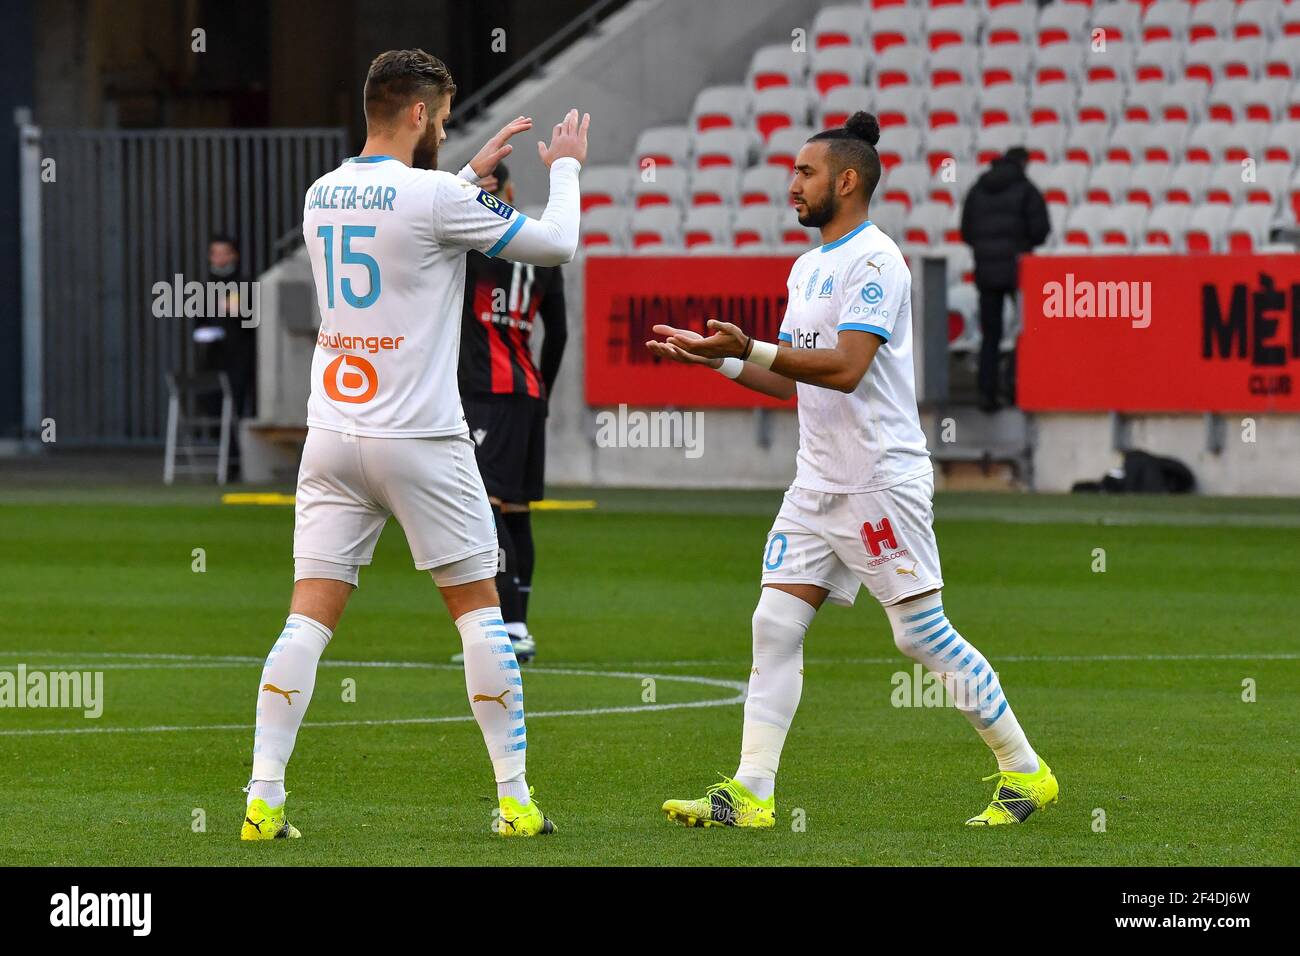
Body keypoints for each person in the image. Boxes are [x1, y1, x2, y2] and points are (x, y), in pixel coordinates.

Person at [647, 112, 1057, 829]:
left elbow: (845, 368)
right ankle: (753, 793)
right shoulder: (806, 266)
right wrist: (724, 358)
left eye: (803, 173)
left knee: (919, 635)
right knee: (773, 623)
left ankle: (1027, 771)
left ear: (846, 180)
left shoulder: (877, 262)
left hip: (879, 479)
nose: (791, 185)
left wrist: (756, 348)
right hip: (817, 483)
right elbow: (795, 381)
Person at [240, 47, 589, 841]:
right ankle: (514, 800)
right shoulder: (434, 196)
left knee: (306, 621)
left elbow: (397, 230)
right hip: (423, 439)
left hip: (332, 435)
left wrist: (465, 178)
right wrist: (564, 168)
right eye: (443, 114)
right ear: (421, 115)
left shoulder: (322, 192)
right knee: (480, 615)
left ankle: (263, 798)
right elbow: (556, 244)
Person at [456, 161, 568, 664]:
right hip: (528, 394)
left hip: (486, 396)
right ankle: (520, 626)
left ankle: (506, 627)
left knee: (487, 510)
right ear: (512, 190)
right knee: (517, 513)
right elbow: (559, 333)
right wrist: (542, 389)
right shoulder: (542, 252)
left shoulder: (472, 249)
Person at [959, 146, 1050, 412]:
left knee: (991, 336)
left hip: (986, 272)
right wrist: (1021, 243)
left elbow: (966, 231)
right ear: (1023, 162)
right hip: (1017, 271)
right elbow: (1041, 230)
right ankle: (1015, 389)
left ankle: (985, 395)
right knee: (1024, 332)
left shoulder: (978, 189)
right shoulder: (1026, 188)